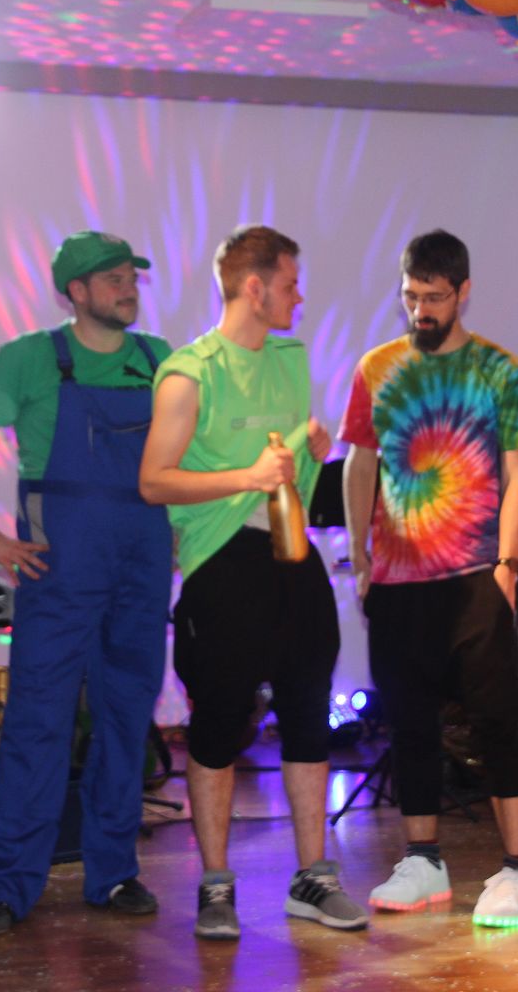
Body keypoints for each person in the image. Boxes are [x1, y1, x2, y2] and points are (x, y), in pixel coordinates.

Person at [0, 231, 174, 938]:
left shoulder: (159, 360)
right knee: (38, 721)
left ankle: (114, 872)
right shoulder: (31, 358)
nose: (127, 289)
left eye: (131, 277)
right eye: (112, 279)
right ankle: (7, 883)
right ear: (76, 291)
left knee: (125, 719)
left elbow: (190, 454)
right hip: (60, 569)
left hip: (141, 568)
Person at [139, 224, 366, 942]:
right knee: (217, 727)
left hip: (292, 557)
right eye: (291, 284)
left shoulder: (291, 359)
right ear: (254, 286)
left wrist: (314, 447)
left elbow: (288, 463)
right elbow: (153, 481)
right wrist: (248, 476)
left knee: (308, 716)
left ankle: (313, 878)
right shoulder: (189, 373)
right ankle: (215, 884)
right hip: (222, 563)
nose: (300, 297)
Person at [339, 229, 518, 928]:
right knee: (409, 725)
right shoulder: (377, 368)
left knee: (497, 723)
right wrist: (361, 556)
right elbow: (360, 462)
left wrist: (509, 566)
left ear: (463, 292)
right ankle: (422, 861)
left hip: (476, 575)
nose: (420, 310)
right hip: (398, 582)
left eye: (433, 297)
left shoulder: (499, 370)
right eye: (410, 297)